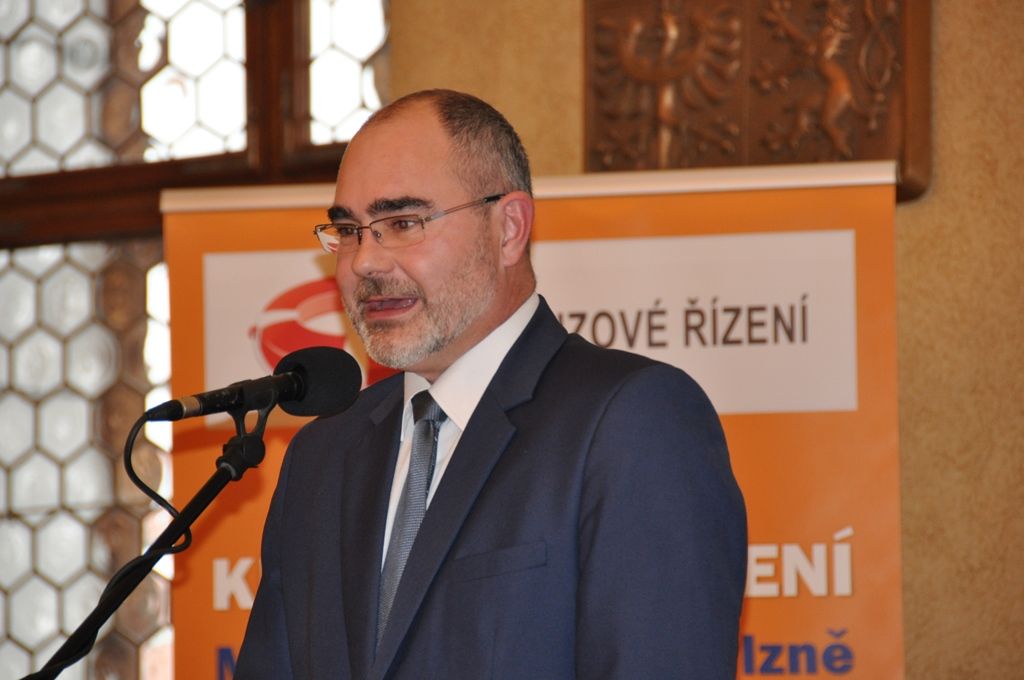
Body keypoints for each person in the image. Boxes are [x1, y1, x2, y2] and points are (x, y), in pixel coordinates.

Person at [234, 89, 746, 679]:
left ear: (509, 228)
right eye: (349, 230)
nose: (364, 262)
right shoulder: (322, 457)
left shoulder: (632, 422)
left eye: (402, 222)